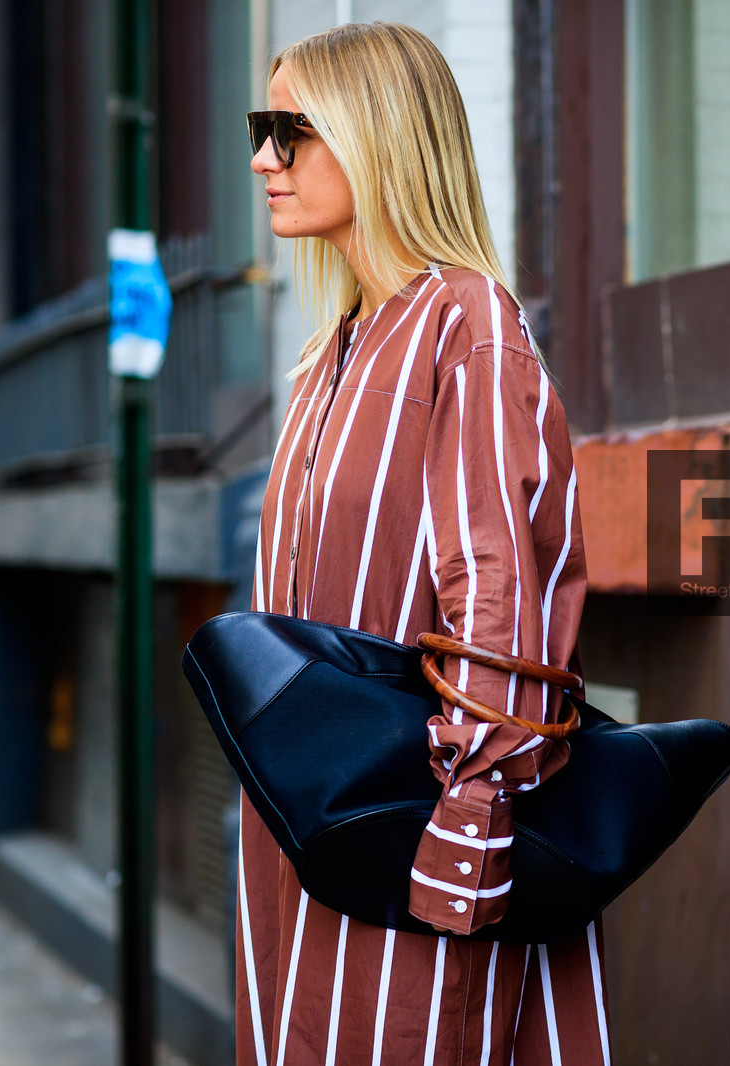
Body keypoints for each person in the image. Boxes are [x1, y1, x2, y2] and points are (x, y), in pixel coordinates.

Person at [240, 22, 606, 1065]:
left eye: (289, 130)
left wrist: (474, 813)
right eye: (261, 130)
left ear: (378, 135)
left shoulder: (466, 324)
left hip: (418, 829)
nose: (263, 159)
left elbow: (499, 592)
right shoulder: (327, 355)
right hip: (305, 831)